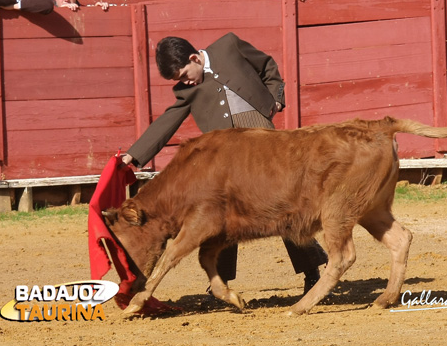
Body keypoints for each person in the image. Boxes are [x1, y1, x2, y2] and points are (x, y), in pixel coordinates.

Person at [120, 32, 327, 295]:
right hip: (225, 161)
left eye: (185, 74)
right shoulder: (187, 90)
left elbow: (266, 65)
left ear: (194, 58)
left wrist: (276, 97)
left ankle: (312, 271)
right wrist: (133, 154)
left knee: (281, 203)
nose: (185, 81)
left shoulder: (229, 45)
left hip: (262, 142)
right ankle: (220, 282)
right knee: (225, 214)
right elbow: (168, 120)